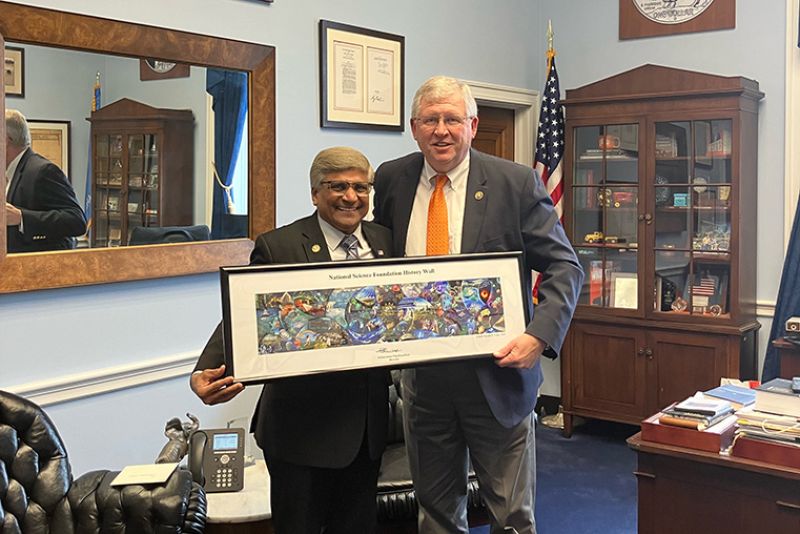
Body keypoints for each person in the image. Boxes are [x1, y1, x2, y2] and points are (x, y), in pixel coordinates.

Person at [373, 76, 584, 534]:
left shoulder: (514, 182)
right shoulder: (392, 179)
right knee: (436, 513)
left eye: (452, 119)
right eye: (430, 119)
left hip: (498, 376)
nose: (441, 130)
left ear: (472, 124)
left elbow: (566, 267)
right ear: (414, 127)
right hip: (423, 382)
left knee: (511, 515)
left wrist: (538, 336)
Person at [192, 146, 392, 534]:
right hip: (301, 430)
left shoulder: (386, 241)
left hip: (367, 429)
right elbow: (247, 314)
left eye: (360, 187)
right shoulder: (280, 246)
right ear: (316, 193)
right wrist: (207, 367)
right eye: (338, 186)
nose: (351, 197)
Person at [5, 109, 86, 252]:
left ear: (5, 140)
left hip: (40, 268)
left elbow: (77, 221)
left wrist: (21, 217)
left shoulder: (43, 171)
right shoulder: (8, 171)